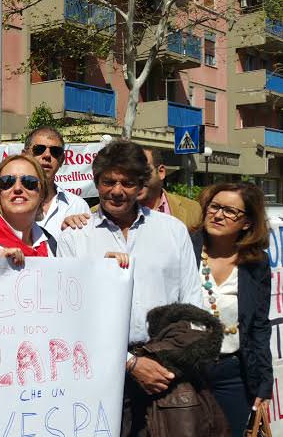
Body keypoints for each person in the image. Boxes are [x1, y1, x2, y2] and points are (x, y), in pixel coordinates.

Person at [56, 139, 202, 436]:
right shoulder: (74, 237)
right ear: (97, 182)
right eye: (109, 181)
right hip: (101, 372)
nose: (117, 190)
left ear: (141, 186)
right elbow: (71, 316)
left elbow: (192, 303)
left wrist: (166, 363)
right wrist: (131, 364)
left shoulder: (172, 231)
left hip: (166, 371)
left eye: (127, 182)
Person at [191, 182, 272, 435]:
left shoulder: (255, 263)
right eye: (214, 207)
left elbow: (258, 325)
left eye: (230, 211)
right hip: (186, 373)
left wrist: (264, 382)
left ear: (247, 222)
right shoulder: (184, 247)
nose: (218, 215)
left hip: (232, 376)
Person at [139, 148, 202, 228]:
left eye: (144, 171)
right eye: (131, 172)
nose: (137, 178)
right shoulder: (120, 212)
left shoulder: (192, 209)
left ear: (161, 172)